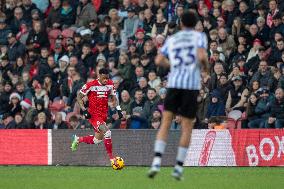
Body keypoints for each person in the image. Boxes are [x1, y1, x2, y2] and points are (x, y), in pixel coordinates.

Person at [148, 11, 209, 180]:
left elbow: (159, 60)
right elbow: (203, 56)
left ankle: (157, 161)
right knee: (187, 126)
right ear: (195, 24)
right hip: (190, 86)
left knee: (165, 122)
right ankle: (178, 168)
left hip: (174, 84)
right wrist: (205, 68)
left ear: (181, 23)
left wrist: (173, 66)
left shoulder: (172, 39)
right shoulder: (199, 37)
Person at [70, 68, 123, 166]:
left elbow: (115, 98)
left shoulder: (110, 84)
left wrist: (119, 110)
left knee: (97, 140)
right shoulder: (91, 85)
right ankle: (112, 159)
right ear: (99, 76)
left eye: (107, 78)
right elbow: (79, 96)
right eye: (104, 78)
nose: (106, 80)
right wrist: (84, 110)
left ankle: (78, 139)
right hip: (94, 115)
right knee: (107, 132)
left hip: (103, 115)